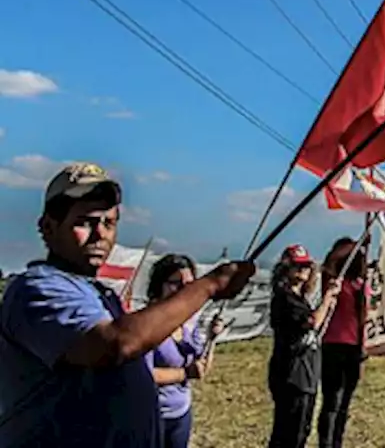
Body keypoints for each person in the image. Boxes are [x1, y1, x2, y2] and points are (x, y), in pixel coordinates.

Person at [0, 163, 253, 447]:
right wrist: (210, 285)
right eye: (85, 222)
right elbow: (116, 343)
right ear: (48, 226)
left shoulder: (99, 294)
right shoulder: (38, 289)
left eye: (110, 223)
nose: (101, 234)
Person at [145, 254, 226, 448]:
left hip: (181, 412)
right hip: (153, 414)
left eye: (189, 284)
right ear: (160, 285)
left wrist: (212, 338)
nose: (183, 289)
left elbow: (202, 367)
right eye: (175, 283)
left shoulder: (189, 322)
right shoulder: (146, 324)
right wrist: (184, 373)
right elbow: (144, 374)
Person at [268, 244, 341, 448]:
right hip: (291, 375)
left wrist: (328, 307)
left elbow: (315, 332)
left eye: (306, 266)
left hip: (306, 372)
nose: (303, 270)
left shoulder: (300, 299)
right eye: (297, 266)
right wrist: (327, 299)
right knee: (289, 433)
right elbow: (312, 322)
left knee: (301, 430)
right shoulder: (285, 299)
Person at [318, 239, 368, 448]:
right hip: (333, 344)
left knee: (344, 404)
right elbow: (330, 262)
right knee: (332, 402)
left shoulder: (361, 285)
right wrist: (357, 243)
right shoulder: (332, 281)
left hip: (354, 346)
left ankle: (336, 442)